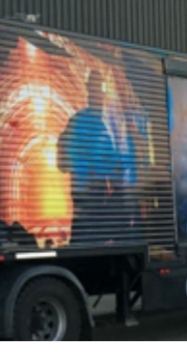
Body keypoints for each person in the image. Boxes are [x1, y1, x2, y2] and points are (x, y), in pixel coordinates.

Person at [57, 69, 123, 245]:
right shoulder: (84, 122)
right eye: (96, 91)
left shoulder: (98, 124)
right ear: (90, 92)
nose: (99, 97)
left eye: (99, 92)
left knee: (86, 237)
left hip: (89, 195)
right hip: (88, 195)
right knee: (88, 236)